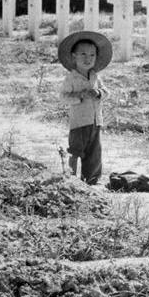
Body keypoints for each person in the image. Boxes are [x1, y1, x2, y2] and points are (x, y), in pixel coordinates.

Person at [58, 30, 112, 185]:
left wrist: (98, 92)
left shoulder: (95, 76)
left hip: (96, 121)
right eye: (83, 54)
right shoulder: (71, 78)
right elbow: (63, 96)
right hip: (79, 123)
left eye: (92, 55)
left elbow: (107, 92)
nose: (88, 59)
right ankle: (71, 179)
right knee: (75, 150)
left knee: (94, 152)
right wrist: (79, 96)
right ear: (74, 56)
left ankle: (91, 180)